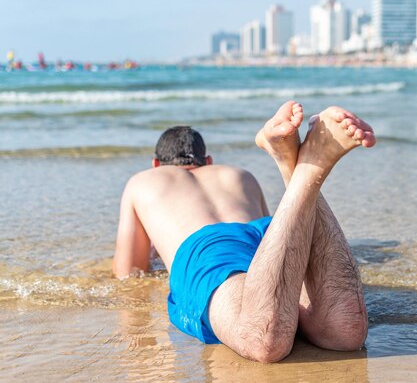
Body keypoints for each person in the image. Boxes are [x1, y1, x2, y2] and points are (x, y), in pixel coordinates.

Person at [112, 101, 376, 363]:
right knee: (345, 332)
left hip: (206, 249)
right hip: (264, 234)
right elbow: (284, 229)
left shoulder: (143, 181)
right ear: (208, 161)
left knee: (263, 339)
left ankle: (309, 170)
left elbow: (129, 272)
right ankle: (294, 167)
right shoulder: (239, 174)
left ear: (156, 163)